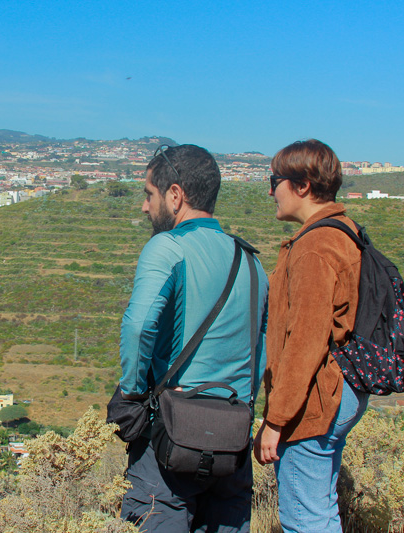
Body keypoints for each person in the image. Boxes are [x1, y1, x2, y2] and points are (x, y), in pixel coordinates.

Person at [119, 144, 268, 532]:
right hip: (233, 440)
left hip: (171, 435)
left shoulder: (167, 248)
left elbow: (138, 327)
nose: (145, 207)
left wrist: (133, 394)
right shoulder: (252, 262)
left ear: (175, 195)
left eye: (149, 195)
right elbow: (263, 349)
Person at [253, 139, 369, 532]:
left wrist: (276, 419)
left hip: (317, 397)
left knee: (306, 518)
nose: (271, 191)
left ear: (302, 185)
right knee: (320, 509)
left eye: (275, 181)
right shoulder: (342, 231)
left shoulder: (315, 247)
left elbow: (304, 341)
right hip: (341, 388)